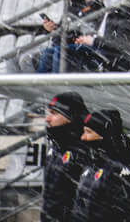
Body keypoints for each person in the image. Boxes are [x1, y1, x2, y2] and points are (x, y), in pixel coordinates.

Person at [71, 109, 130, 222]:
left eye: (88, 132)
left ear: (104, 136)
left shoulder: (122, 170)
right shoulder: (91, 165)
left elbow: (124, 215)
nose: (83, 137)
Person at [42, 92, 90, 220]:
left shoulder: (85, 150)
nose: (47, 119)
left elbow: (88, 203)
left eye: (54, 113)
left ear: (70, 117)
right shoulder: (57, 146)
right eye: (48, 113)